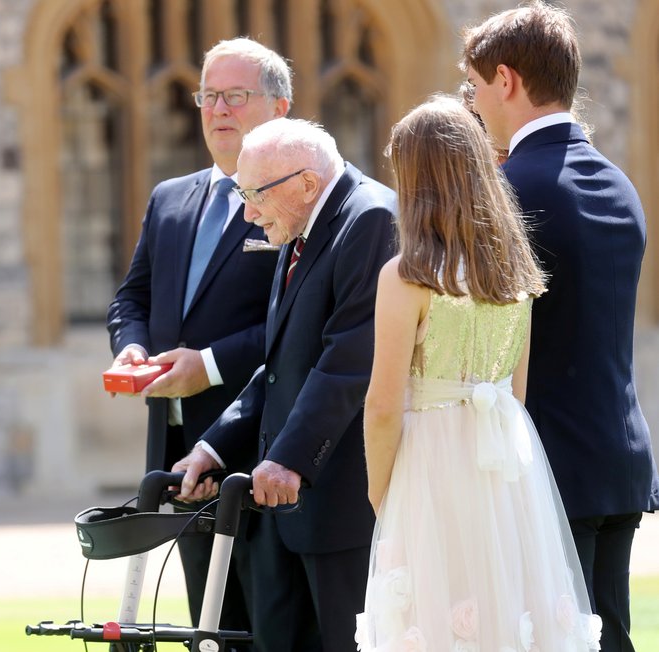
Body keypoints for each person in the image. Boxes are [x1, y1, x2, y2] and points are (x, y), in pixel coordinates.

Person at [356, 94, 601, 652]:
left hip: (431, 462)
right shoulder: (513, 269)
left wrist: (380, 491)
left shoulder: (409, 275)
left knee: (438, 615)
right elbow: (516, 388)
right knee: (505, 607)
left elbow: (383, 404)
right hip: (506, 461)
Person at [461, 3, 659, 649]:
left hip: (542, 465)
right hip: (616, 455)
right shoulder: (618, 182)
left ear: (508, 81)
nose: (475, 100)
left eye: (477, 84)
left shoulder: (512, 189)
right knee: (609, 636)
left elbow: (481, 339)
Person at [174, 117, 396, 652]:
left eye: (254, 195)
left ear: (307, 184)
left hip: (341, 504)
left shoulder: (370, 220)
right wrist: (213, 445)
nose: (248, 214)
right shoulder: (300, 224)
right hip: (281, 503)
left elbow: (349, 359)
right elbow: (278, 366)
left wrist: (292, 459)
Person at [106, 37, 289, 640]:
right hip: (178, 458)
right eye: (208, 96)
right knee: (207, 632)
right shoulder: (170, 199)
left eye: (235, 96)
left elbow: (301, 322)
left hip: (264, 451)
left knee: (270, 629)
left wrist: (208, 365)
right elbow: (131, 299)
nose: (217, 111)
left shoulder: (298, 199)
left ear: (279, 108)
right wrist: (130, 347)